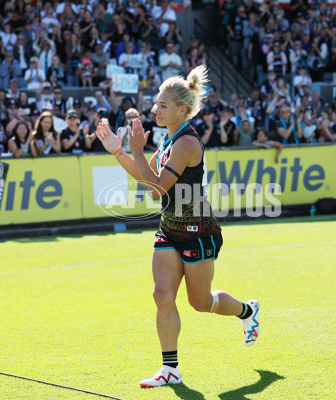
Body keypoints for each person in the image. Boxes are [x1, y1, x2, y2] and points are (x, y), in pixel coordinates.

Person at [94, 65, 260, 388]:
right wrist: (118, 149)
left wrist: (137, 150)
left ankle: (246, 311)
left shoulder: (186, 144)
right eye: (156, 103)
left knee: (200, 302)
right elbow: (146, 176)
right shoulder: (170, 138)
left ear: (182, 109)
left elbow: (156, 187)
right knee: (162, 294)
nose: (155, 109)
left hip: (197, 229)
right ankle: (170, 369)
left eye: (163, 105)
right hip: (170, 226)